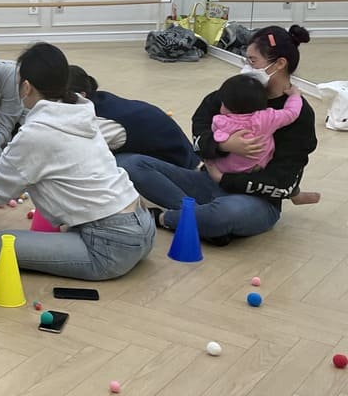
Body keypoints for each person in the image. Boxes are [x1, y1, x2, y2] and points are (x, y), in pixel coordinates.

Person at [0, 43, 155, 281]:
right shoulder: (79, 113)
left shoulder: (38, 133)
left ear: (26, 87)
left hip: (109, 247)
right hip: (143, 225)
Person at [119, 25, 318, 245]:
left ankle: (167, 218)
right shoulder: (237, 90)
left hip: (254, 200)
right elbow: (200, 126)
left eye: (252, 61)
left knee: (226, 213)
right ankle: (199, 219)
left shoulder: (298, 114)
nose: (246, 67)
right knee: (128, 164)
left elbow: (283, 180)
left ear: (279, 64)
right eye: (245, 60)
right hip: (208, 181)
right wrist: (222, 146)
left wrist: (225, 179)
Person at [211, 75, 319, 205]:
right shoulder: (266, 118)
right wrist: (295, 96)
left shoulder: (219, 121)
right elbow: (291, 113)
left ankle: (294, 195)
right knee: (284, 173)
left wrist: (223, 145)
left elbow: (213, 137)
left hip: (224, 168)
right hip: (255, 169)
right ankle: (294, 194)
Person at [67, 65, 200, 169]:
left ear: (82, 95)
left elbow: (78, 152)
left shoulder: (99, 120)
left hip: (179, 162)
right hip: (182, 152)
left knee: (109, 164)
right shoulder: (99, 99)